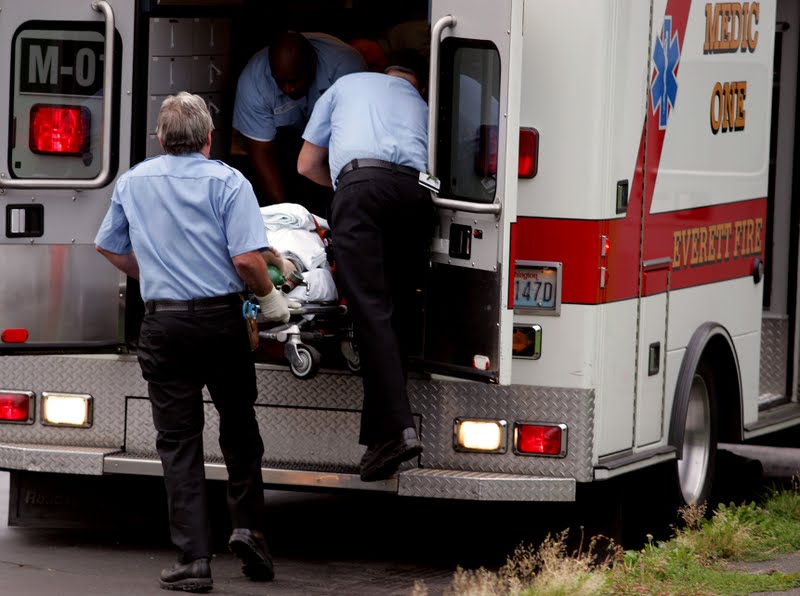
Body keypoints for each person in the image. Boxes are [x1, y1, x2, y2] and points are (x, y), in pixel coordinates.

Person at [95, 92, 297, 592]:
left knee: (179, 443)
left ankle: (193, 561)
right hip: (220, 321)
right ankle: (249, 530)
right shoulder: (230, 182)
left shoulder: (133, 182)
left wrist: (157, 273)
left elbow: (108, 245)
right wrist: (271, 299)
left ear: (161, 139)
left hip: (164, 326)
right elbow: (248, 261)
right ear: (208, 140)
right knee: (239, 428)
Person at [297, 51, 434, 482]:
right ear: (419, 84)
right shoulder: (427, 105)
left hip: (360, 189)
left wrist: (345, 189)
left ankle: (399, 429)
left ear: (382, 71)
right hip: (415, 197)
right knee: (396, 313)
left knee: (370, 312)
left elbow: (305, 164)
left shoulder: (346, 85)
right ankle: (380, 440)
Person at [232, 31, 366, 213]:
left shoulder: (345, 66)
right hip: (284, 141)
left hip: (337, 140)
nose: (288, 88)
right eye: (280, 82)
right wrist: (287, 214)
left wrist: (344, 199)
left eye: (294, 81)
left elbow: (357, 140)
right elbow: (262, 153)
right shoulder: (254, 81)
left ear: (312, 65)